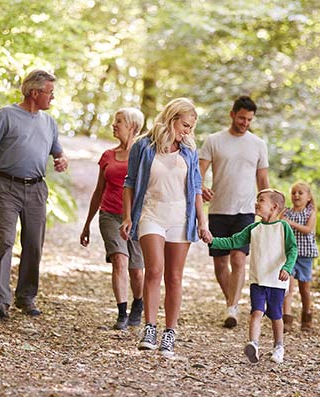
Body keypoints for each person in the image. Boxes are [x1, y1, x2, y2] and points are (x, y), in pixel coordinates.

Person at [0, 69, 68, 319]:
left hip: (36, 189)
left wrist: (61, 160)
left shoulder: (49, 123)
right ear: (34, 92)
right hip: (6, 186)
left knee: (34, 244)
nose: (52, 98)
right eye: (50, 92)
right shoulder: (5, 115)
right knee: (5, 241)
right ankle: (0, 301)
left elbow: (58, 152)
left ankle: (26, 297)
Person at [119, 97, 211, 356]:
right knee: (155, 269)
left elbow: (195, 190)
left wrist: (202, 223)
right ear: (171, 119)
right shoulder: (143, 147)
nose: (188, 131)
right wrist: (127, 218)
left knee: (174, 277)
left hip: (180, 218)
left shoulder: (189, 152)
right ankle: (150, 327)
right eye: (185, 124)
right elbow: (130, 183)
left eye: (191, 127)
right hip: (150, 214)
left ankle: (170, 332)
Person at [199, 96, 269, 328]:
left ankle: (232, 307)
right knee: (220, 264)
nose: (245, 122)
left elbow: (262, 179)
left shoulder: (258, 144)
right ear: (232, 114)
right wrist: (201, 188)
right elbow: (198, 173)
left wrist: (267, 208)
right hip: (218, 209)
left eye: (249, 119)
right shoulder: (214, 140)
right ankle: (232, 301)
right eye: (241, 117)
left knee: (238, 259)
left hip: (245, 211)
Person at [204, 188, 297, 363]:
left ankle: (279, 347)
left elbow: (293, 250)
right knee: (256, 312)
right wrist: (213, 241)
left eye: (261, 200)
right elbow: (233, 241)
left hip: (277, 281)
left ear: (274, 207)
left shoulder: (283, 228)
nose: (256, 203)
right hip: (258, 280)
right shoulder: (254, 228)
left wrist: (287, 267)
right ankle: (253, 344)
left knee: (276, 315)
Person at [80, 108, 146, 330]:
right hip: (109, 215)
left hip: (137, 218)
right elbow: (99, 190)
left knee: (137, 270)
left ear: (133, 127)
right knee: (119, 260)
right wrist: (87, 224)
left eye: (119, 122)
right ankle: (121, 312)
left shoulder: (144, 154)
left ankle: (138, 303)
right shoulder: (108, 156)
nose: (114, 125)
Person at [282, 181, 318, 331]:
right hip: (290, 255)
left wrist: (290, 223)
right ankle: (287, 319)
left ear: (308, 197)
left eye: (300, 193)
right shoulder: (286, 213)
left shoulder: (310, 213)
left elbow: (308, 229)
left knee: (304, 288)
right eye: (294, 193)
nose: (296, 195)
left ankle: (307, 316)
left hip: (305, 256)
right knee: (288, 288)